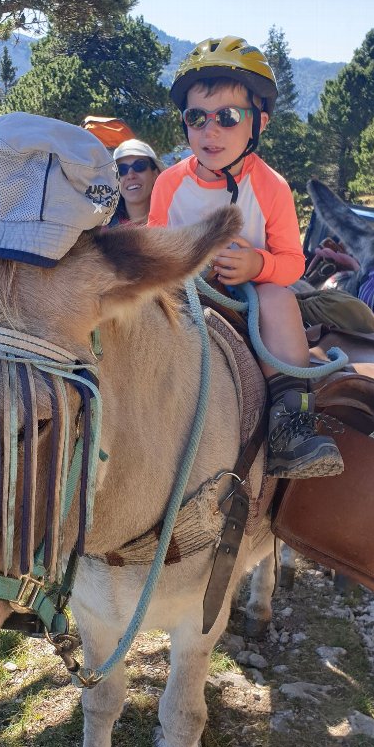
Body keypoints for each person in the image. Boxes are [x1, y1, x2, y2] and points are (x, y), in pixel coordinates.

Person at [148, 36, 344, 479]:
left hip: (251, 291)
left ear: (259, 124)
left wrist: (259, 266)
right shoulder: (168, 185)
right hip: (184, 289)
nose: (209, 131)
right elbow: (155, 243)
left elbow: (293, 261)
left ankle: (291, 423)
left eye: (227, 117)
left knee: (279, 298)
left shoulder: (271, 187)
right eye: (196, 118)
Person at [110, 138, 162, 226]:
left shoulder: (175, 220)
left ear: (155, 174)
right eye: (121, 169)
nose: (130, 175)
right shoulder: (104, 232)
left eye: (139, 166)